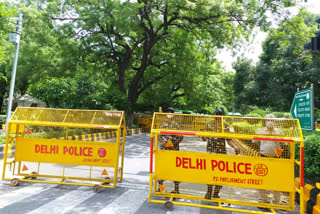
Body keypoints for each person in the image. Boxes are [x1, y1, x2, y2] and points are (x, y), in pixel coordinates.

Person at [204, 108, 240, 200]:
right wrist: (202, 135)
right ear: (214, 115)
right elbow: (204, 138)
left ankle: (216, 193)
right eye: (217, 114)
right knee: (209, 174)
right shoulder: (209, 124)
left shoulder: (225, 125)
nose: (218, 116)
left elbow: (228, 140)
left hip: (221, 153)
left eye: (220, 114)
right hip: (211, 152)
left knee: (220, 175)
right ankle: (208, 192)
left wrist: (234, 147)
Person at [252, 114, 286, 205]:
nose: (270, 121)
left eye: (272, 120)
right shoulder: (260, 131)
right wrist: (260, 150)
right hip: (263, 158)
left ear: (275, 121)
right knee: (262, 180)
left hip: (276, 159)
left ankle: (276, 201)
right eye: (268, 120)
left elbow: (285, 145)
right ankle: (262, 200)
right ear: (265, 121)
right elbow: (254, 143)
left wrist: (279, 153)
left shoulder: (279, 132)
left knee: (276, 180)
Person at [158, 107, 183, 194]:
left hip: (174, 150)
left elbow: (181, 137)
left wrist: (174, 143)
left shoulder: (176, 125)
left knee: (175, 170)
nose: (169, 113)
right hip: (164, 150)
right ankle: (160, 188)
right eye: (168, 112)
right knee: (162, 169)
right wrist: (163, 143)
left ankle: (176, 189)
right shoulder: (162, 124)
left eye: (171, 112)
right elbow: (159, 136)